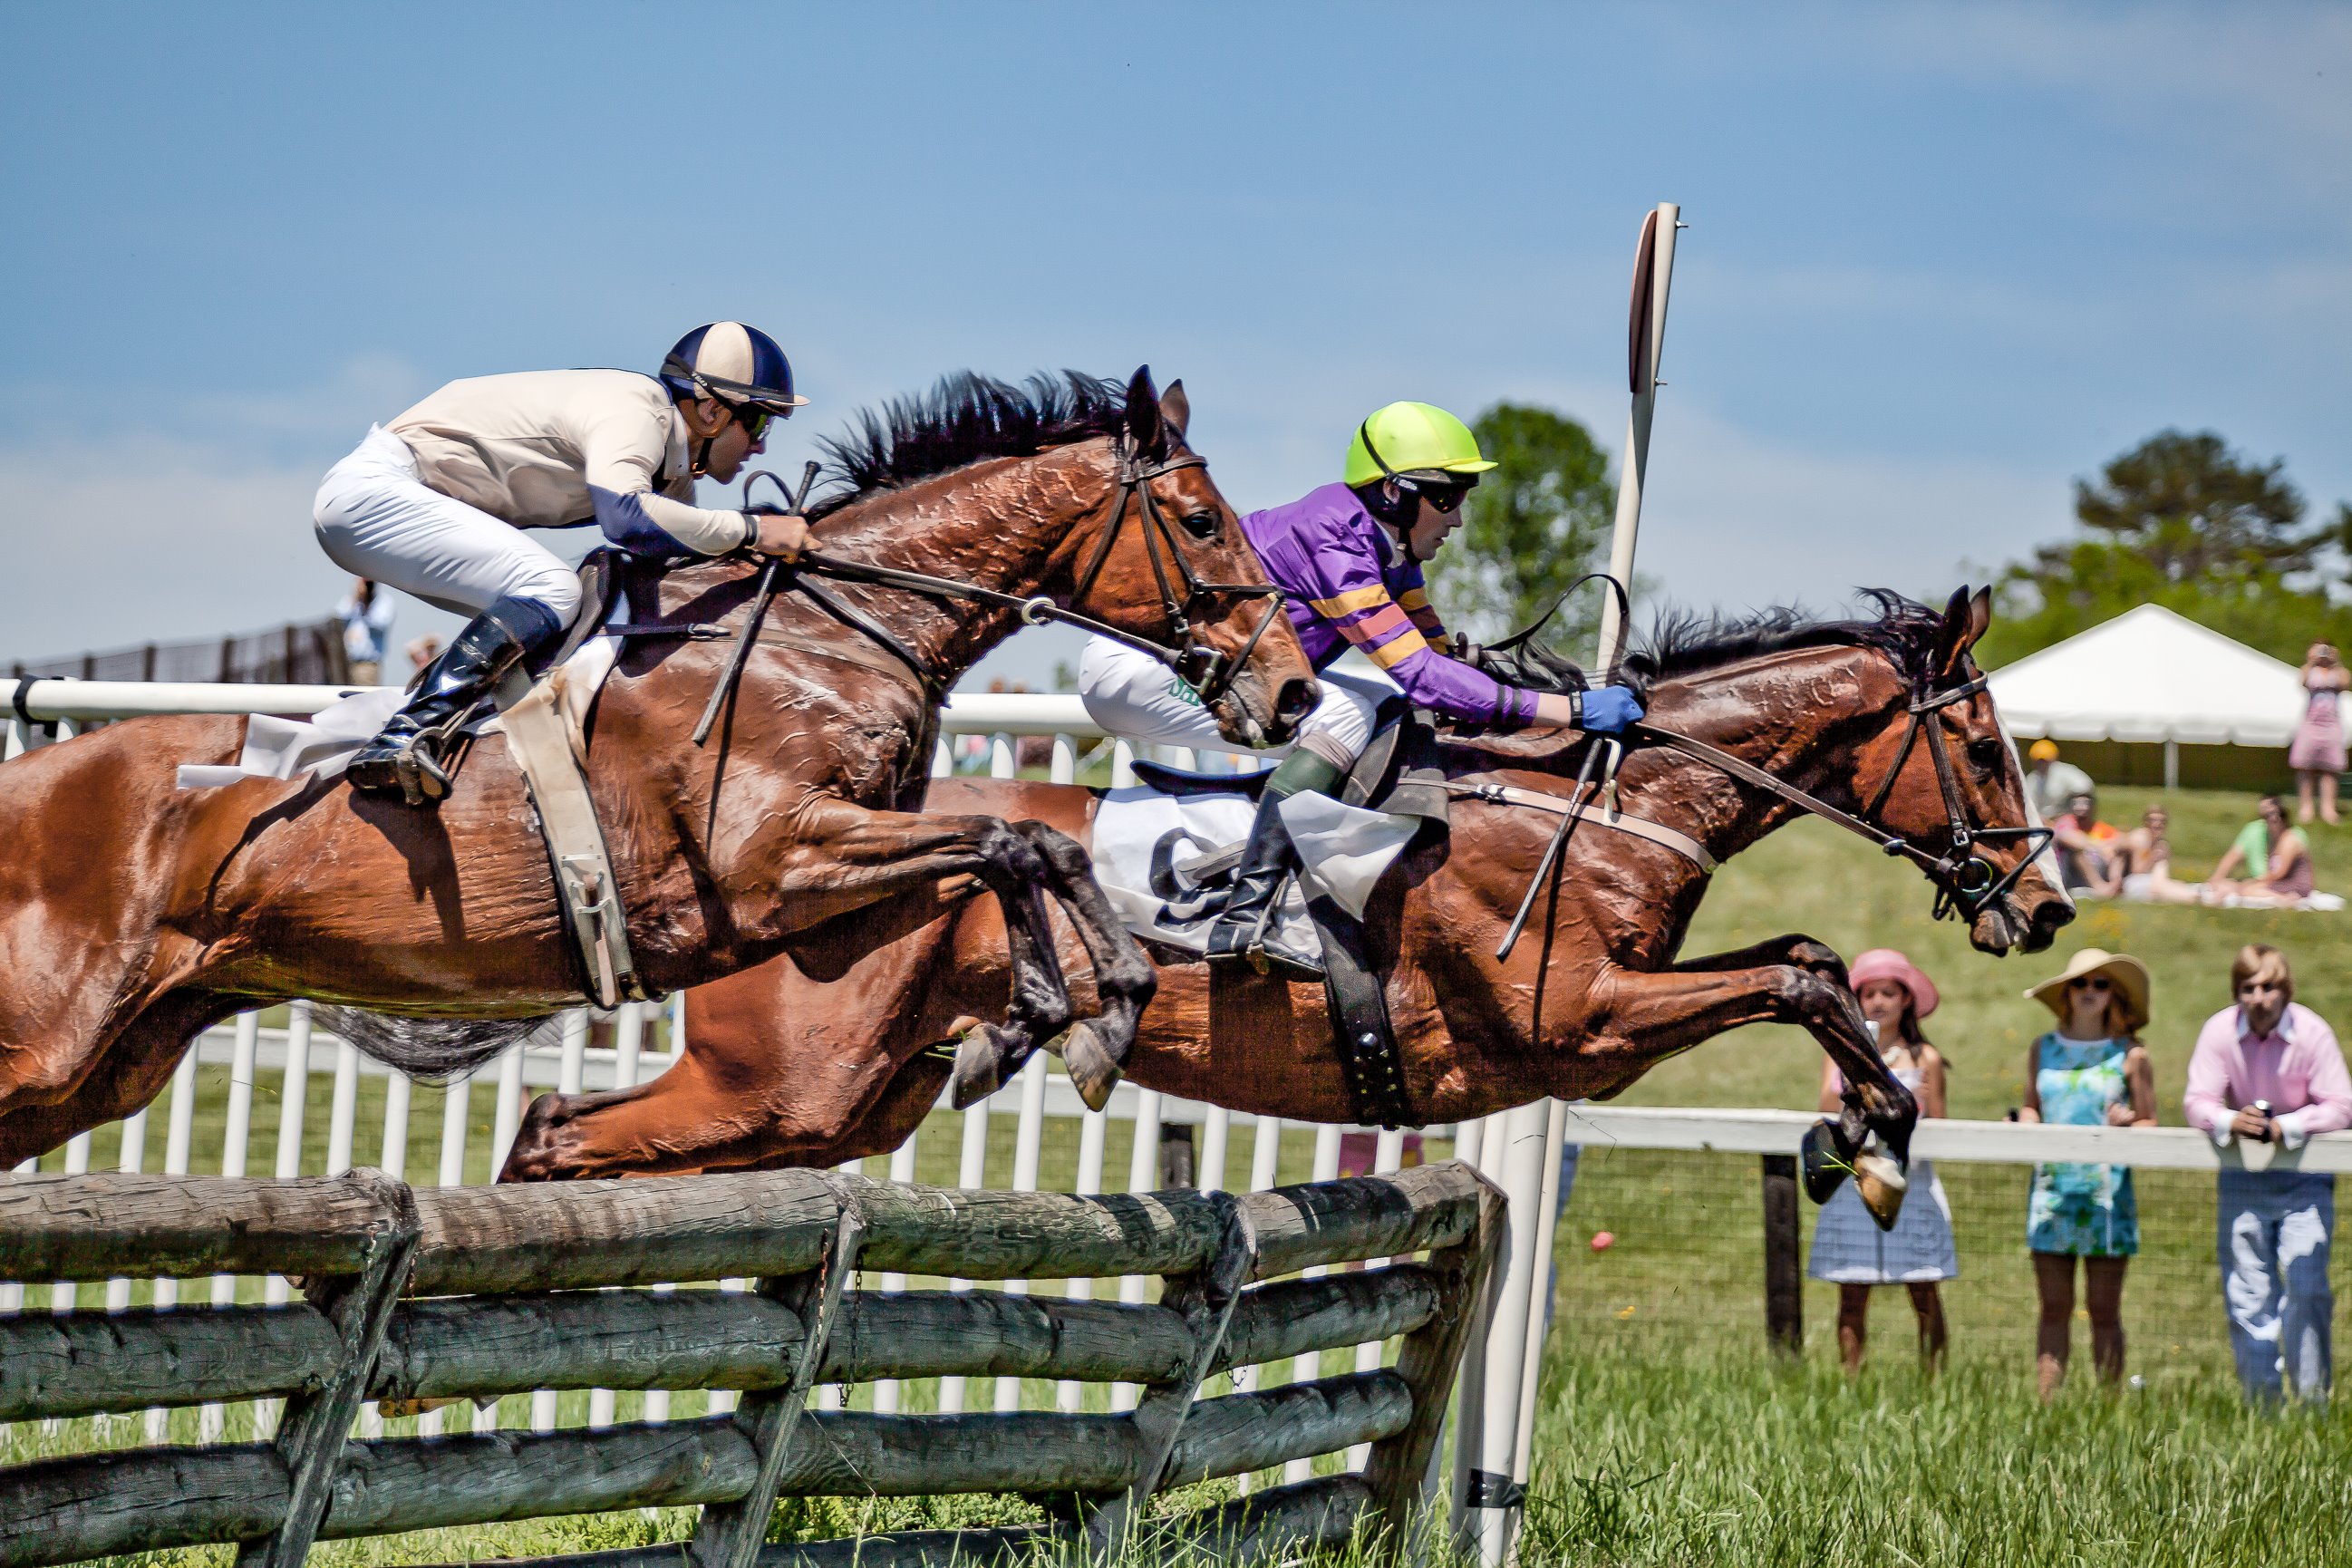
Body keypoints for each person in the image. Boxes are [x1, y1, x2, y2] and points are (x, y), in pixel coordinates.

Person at [1077, 401, 1646, 977]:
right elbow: (1424, 677)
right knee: (1351, 710)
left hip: (1197, 671)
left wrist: (1496, 672)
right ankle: (1247, 912)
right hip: (1137, 673)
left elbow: (1439, 656)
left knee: (1378, 705)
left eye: (1464, 497)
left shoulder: (1390, 548)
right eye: (1447, 497)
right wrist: (1569, 711)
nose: (1457, 519)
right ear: (1395, 494)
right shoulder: (1332, 539)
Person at [312, 323, 813, 801]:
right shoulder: (639, 410)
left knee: (549, 625)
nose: (763, 444)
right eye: (761, 421)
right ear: (710, 411)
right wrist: (754, 529)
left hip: (393, 500)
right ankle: (402, 737)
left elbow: (672, 554)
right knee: (553, 589)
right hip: (377, 492)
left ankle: (445, 738)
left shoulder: (672, 467)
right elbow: (627, 518)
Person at [2183, 944, 2350, 1403]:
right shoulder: (2219, 1031)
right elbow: (2197, 1100)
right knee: (2247, 1294)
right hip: (2243, 1176)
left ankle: (2313, 1403)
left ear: (2286, 990)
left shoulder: (2312, 1032)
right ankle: (2264, 1409)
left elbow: (2341, 1105)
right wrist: (2229, 1121)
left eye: (2269, 986)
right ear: (2237, 992)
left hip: (2306, 1177)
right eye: (2249, 987)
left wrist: (2285, 1126)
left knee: (2307, 1286)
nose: (2259, 997)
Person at [2016, 948, 2157, 1399]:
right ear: (2067, 994)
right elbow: (2031, 1108)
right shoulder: (2043, 1047)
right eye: (2081, 984)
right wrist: (2021, 1124)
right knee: (2053, 1307)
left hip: (2107, 1195)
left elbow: (2151, 1121)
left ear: (2114, 993)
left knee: (2103, 1308)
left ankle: (2108, 1406)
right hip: (2052, 1191)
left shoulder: (2131, 1054)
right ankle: (2047, 1404)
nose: (2090, 992)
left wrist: (2129, 1124)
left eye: (2100, 984)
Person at [1808, 949, 1957, 1374]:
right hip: (1854, 1178)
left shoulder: (1923, 1057)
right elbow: (1824, 1109)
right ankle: (1850, 1381)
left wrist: (1922, 1106)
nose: (1877, 1002)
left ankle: (1935, 1382)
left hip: (1911, 1181)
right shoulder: (1839, 1052)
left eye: (1888, 992)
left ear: (1905, 999)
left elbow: (1941, 1123)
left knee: (1923, 1287)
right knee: (1851, 1291)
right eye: (1868, 993)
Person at [2208, 795, 2315, 907]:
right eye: (2266, 816)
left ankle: (2284, 900)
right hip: (2279, 881)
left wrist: (2256, 881)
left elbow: (2279, 872)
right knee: (2235, 886)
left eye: (2275, 815)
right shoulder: (2269, 837)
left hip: (2293, 884)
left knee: (2249, 891)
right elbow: (2233, 856)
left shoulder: (2290, 839)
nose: (2271, 820)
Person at [2291, 643, 2347, 826]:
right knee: (2305, 766)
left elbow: (2346, 683)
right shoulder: (2310, 670)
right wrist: (2311, 660)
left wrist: (2336, 661)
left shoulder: (2337, 672)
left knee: (2331, 769)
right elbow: (2302, 682)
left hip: (2332, 724)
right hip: (2310, 723)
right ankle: (2306, 807)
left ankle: (2328, 808)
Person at [2051, 789, 2124, 897]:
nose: (2081, 807)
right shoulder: (2066, 822)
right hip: (2070, 871)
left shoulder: (2100, 827)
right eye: (2077, 803)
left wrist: (2111, 848)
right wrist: (2101, 847)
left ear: (2093, 807)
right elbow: (2067, 837)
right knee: (2076, 851)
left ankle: (2115, 884)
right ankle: (2099, 886)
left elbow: (2123, 840)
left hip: (2099, 865)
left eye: (2085, 803)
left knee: (2119, 852)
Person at [335, 577, 398, 685]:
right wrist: (355, 599)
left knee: (363, 699)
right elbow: (338, 618)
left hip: (366, 666)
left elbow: (380, 623)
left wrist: (366, 604)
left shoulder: (383, 601)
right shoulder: (351, 601)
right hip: (345, 663)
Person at [2024, 739, 2095, 824]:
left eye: (2045, 761)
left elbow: (2085, 787)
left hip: (2066, 819)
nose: (2041, 764)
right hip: (2041, 821)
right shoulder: (2032, 779)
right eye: (2038, 761)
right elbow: (2028, 804)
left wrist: (2070, 807)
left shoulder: (2065, 772)